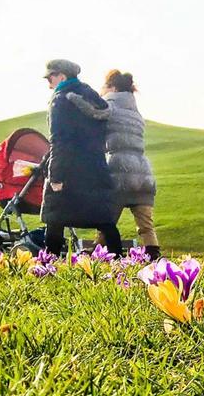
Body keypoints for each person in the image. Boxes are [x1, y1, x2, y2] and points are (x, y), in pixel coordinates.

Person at [68, 70, 161, 260]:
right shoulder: (136, 113)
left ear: (112, 87)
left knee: (106, 220)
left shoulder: (110, 105)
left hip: (119, 171)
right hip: (143, 173)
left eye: (104, 86)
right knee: (146, 225)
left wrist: (73, 98)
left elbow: (93, 112)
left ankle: (99, 254)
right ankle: (154, 257)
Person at [39, 59, 123, 256]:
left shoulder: (60, 100)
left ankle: (48, 265)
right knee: (104, 219)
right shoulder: (95, 99)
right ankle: (122, 262)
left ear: (62, 76)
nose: (48, 82)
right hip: (95, 167)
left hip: (69, 168)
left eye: (50, 77)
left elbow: (59, 140)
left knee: (55, 217)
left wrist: (56, 175)